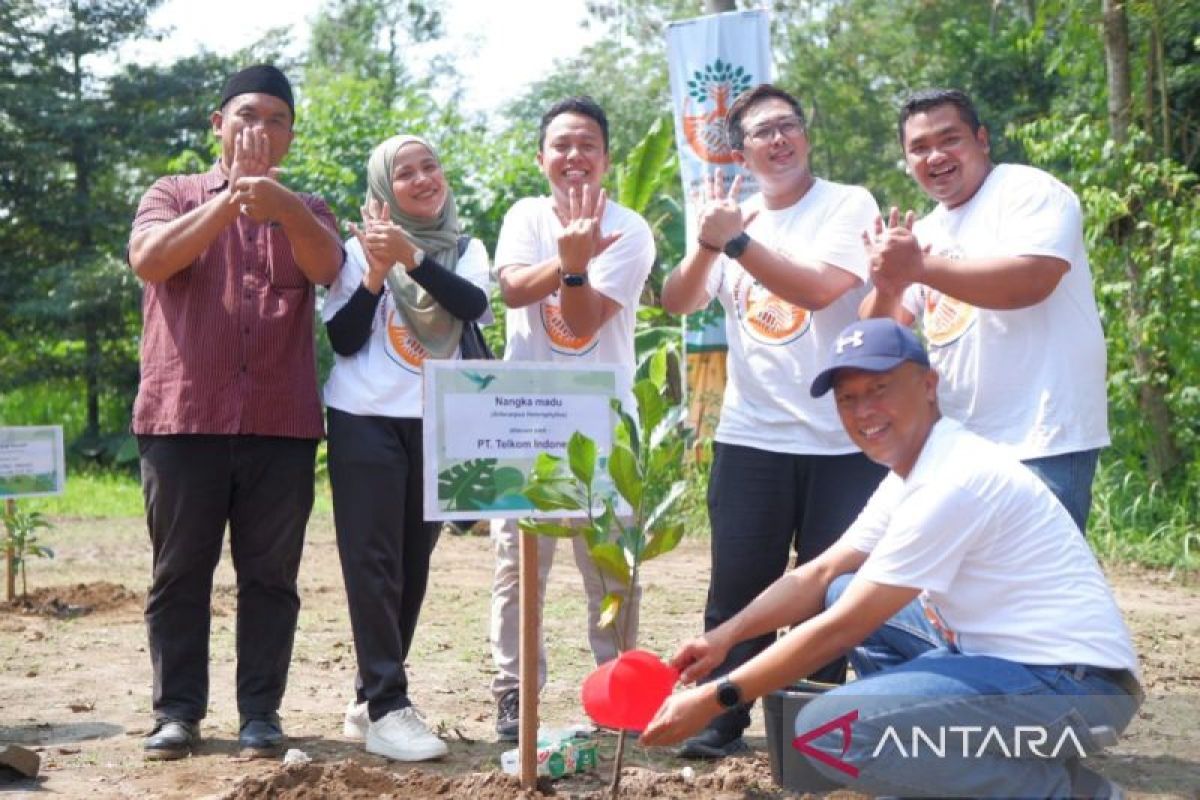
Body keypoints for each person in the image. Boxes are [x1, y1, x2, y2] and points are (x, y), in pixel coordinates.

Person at [641, 318, 1141, 797]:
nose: (863, 411)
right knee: (840, 587)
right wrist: (722, 638)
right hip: (1019, 664)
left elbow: (844, 629)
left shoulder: (954, 480)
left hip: (1076, 687)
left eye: (880, 389)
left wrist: (718, 696)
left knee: (826, 732)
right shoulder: (912, 469)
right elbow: (821, 572)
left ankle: (1063, 792)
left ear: (928, 383)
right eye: (848, 399)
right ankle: (938, 766)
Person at [659, 83, 887, 758]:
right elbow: (676, 300)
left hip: (843, 440)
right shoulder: (733, 216)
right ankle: (719, 719)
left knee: (831, 596)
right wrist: (709, 242)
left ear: (806, 135)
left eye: (788, 125)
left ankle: (812, 734)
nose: (778, 140)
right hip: (751, 435)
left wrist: (735, 244)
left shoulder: (847, 203)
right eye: (762, 132)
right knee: (738, 586)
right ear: (742, 150)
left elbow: (818, 291)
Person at [127, 65, 343, 760]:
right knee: (179, 572)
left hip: (280, 424)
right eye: (247, 114)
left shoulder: (306, 208)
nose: (262, 128)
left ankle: (260, 715)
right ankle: (178, 713)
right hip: (182, 418)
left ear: (289, 134)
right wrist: (227, 204)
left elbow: (330, 269)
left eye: (278, 118)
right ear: (217, 125)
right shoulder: (173, 194)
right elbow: (150, 261)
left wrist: (277, 206)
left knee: (271, 578)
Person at [861, 88, 1109, 532]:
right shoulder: (929, 230)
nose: (935, 156)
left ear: (982, 139)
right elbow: (876, 339)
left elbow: (1030, 281)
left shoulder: (1028, 191)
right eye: (919, 147)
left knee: (1034, 588)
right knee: (961, 592)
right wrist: (888, 282)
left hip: (1041, 438)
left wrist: (919, 266)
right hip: (955, 444)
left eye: (949, 139)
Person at [489, 96, 655, 741]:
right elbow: (512, 290)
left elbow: (582, 321)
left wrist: (574, 263)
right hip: (523, 419)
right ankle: (514, 692)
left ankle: (617, 689)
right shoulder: (524, 215)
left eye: (587, 144)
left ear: (606, 157)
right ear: (542, 158)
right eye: (561, 145)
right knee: (516, 568)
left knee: (612, 569)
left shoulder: (632, 228)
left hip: (604, 422)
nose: (574, 156)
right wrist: (568, 259)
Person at [324, 135, 491, 761]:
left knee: (413, 568)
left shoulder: (468, 248)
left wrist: (413, 258)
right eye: (405, 173)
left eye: (430, 167)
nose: (422, 179)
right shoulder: (352, 250)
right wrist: (373, 271)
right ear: (383, 189)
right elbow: (342, 339)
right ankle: (390, 706)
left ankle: (368, 696)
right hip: (363, 419)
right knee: (372, 563)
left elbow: (471, 304)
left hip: (438, 422)